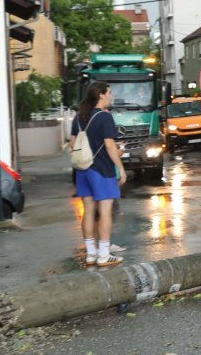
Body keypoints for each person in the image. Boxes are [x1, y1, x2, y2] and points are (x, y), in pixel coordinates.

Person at [68, 81, 127, 266]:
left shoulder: (79, 117)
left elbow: (72, 143)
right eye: (109, 92)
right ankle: (103, 254)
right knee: (105, 211)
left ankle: (91, 254)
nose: (111, 96)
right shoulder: (104, 117)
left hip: (82, 169)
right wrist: (121, 166)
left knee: (87, 211)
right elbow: (109, 145)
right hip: (101, 169)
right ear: (100, 95)